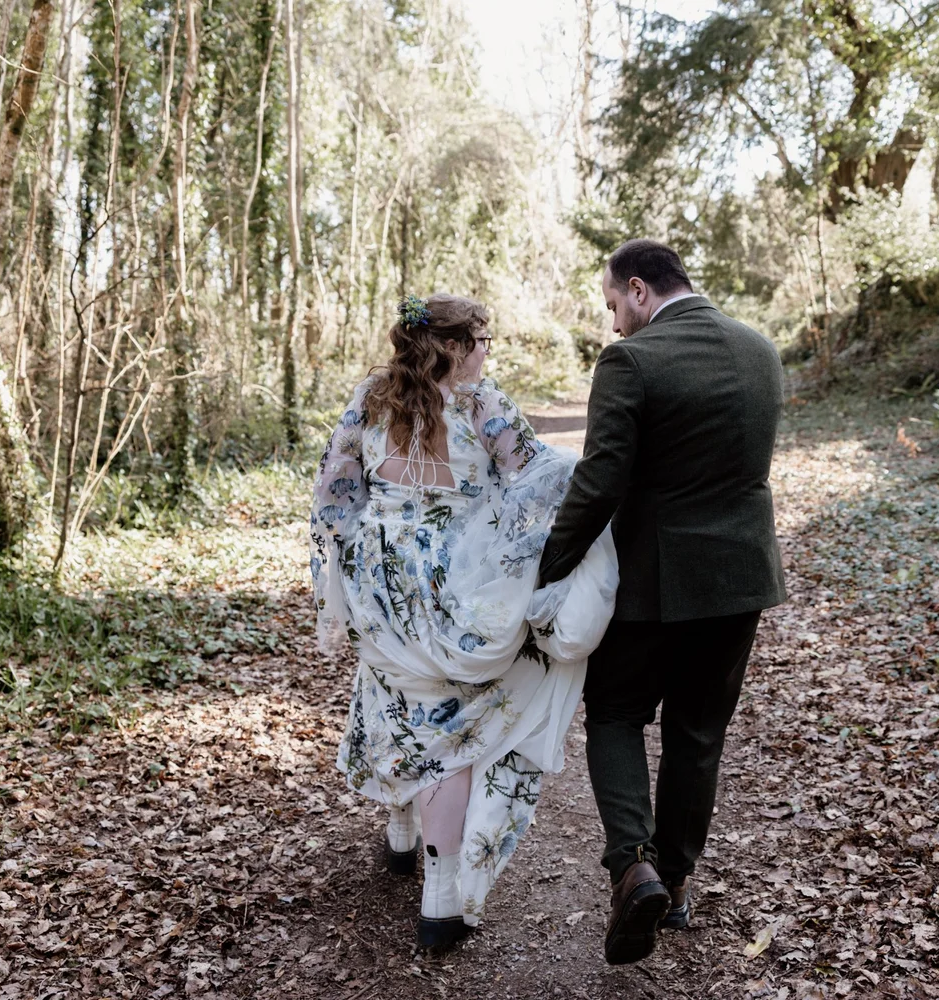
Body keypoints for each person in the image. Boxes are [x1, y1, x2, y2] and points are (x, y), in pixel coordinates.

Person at [310, 293, 617, 952]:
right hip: (458, 595)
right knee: (449, 732)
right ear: (452, 346)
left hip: (380, 587)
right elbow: (538, 483)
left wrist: (357, 572)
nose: (488, 352)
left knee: (392, 701)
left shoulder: (370, 398)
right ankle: (441, 896)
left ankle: (400, 835)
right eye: (481, 340)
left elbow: (335, 493)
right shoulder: (485, 406)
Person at [539, 239, 786, 966]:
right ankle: (674, 886)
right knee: (697, 734)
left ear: (640, 289)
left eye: (614, 304)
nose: (614, 324)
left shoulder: (631, 362)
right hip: (740, 580)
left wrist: (550, 568)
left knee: (615, 711)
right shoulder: (760, 351)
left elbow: (601, 479)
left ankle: (632, 866)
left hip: (651, 582)